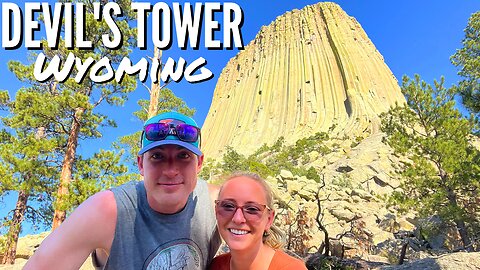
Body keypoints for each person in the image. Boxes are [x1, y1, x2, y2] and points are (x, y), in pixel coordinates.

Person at [25, 111, 221, 270]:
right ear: (140, 164)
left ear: (199, 164)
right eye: (157, 156)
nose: (170, 170)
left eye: (184, 155)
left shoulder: (220, 204)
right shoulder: (107, 210)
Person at [208, 172, 307, 270]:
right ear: (216, 211)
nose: (238, 219)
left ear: (269, 219)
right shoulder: (216, 265)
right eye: (228, 206)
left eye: (252, 209)